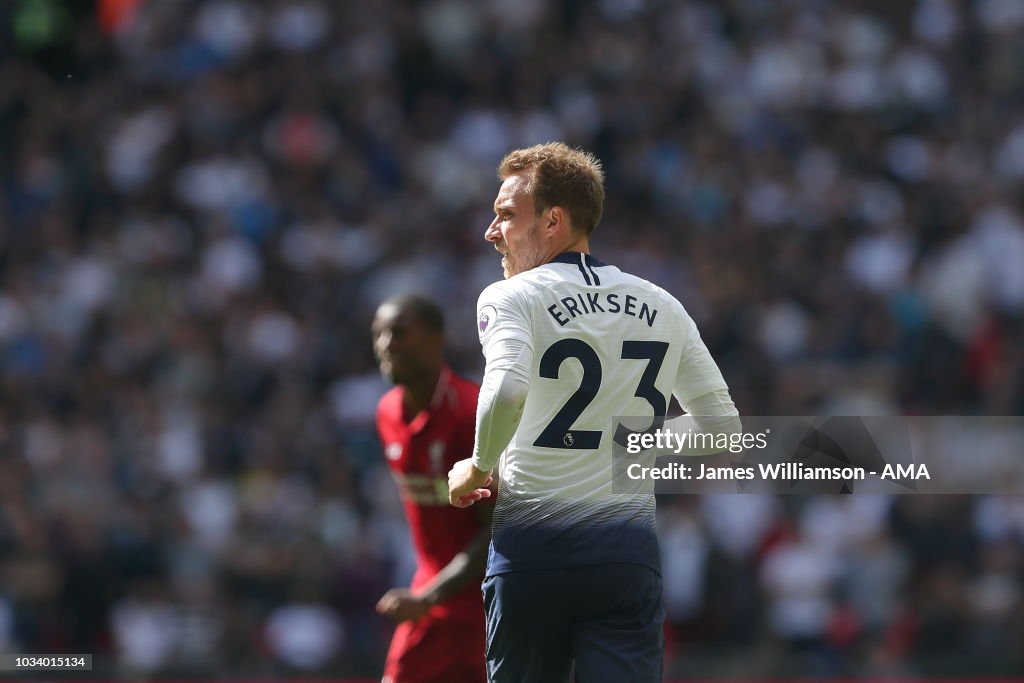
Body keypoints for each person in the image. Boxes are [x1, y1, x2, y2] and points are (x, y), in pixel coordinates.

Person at [448, 142, 741, 682]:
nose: (493, 232)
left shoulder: (511, 297)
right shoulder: (662, 303)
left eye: (507, 215)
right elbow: (723, 428)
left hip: (532, 552)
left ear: (554, 220)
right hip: (623, 556)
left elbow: (506, 390)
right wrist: (635, 443)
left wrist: (479, 464)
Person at [372, 294, 492, 683]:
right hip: (431, 595)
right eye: (380, 334)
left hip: (489, 605)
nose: (387, 345)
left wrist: (428, 597)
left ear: (436, 338)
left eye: (399, 332)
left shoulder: (471, 412)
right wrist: (428, 597)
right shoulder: (387, 413)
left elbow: (497, 529)